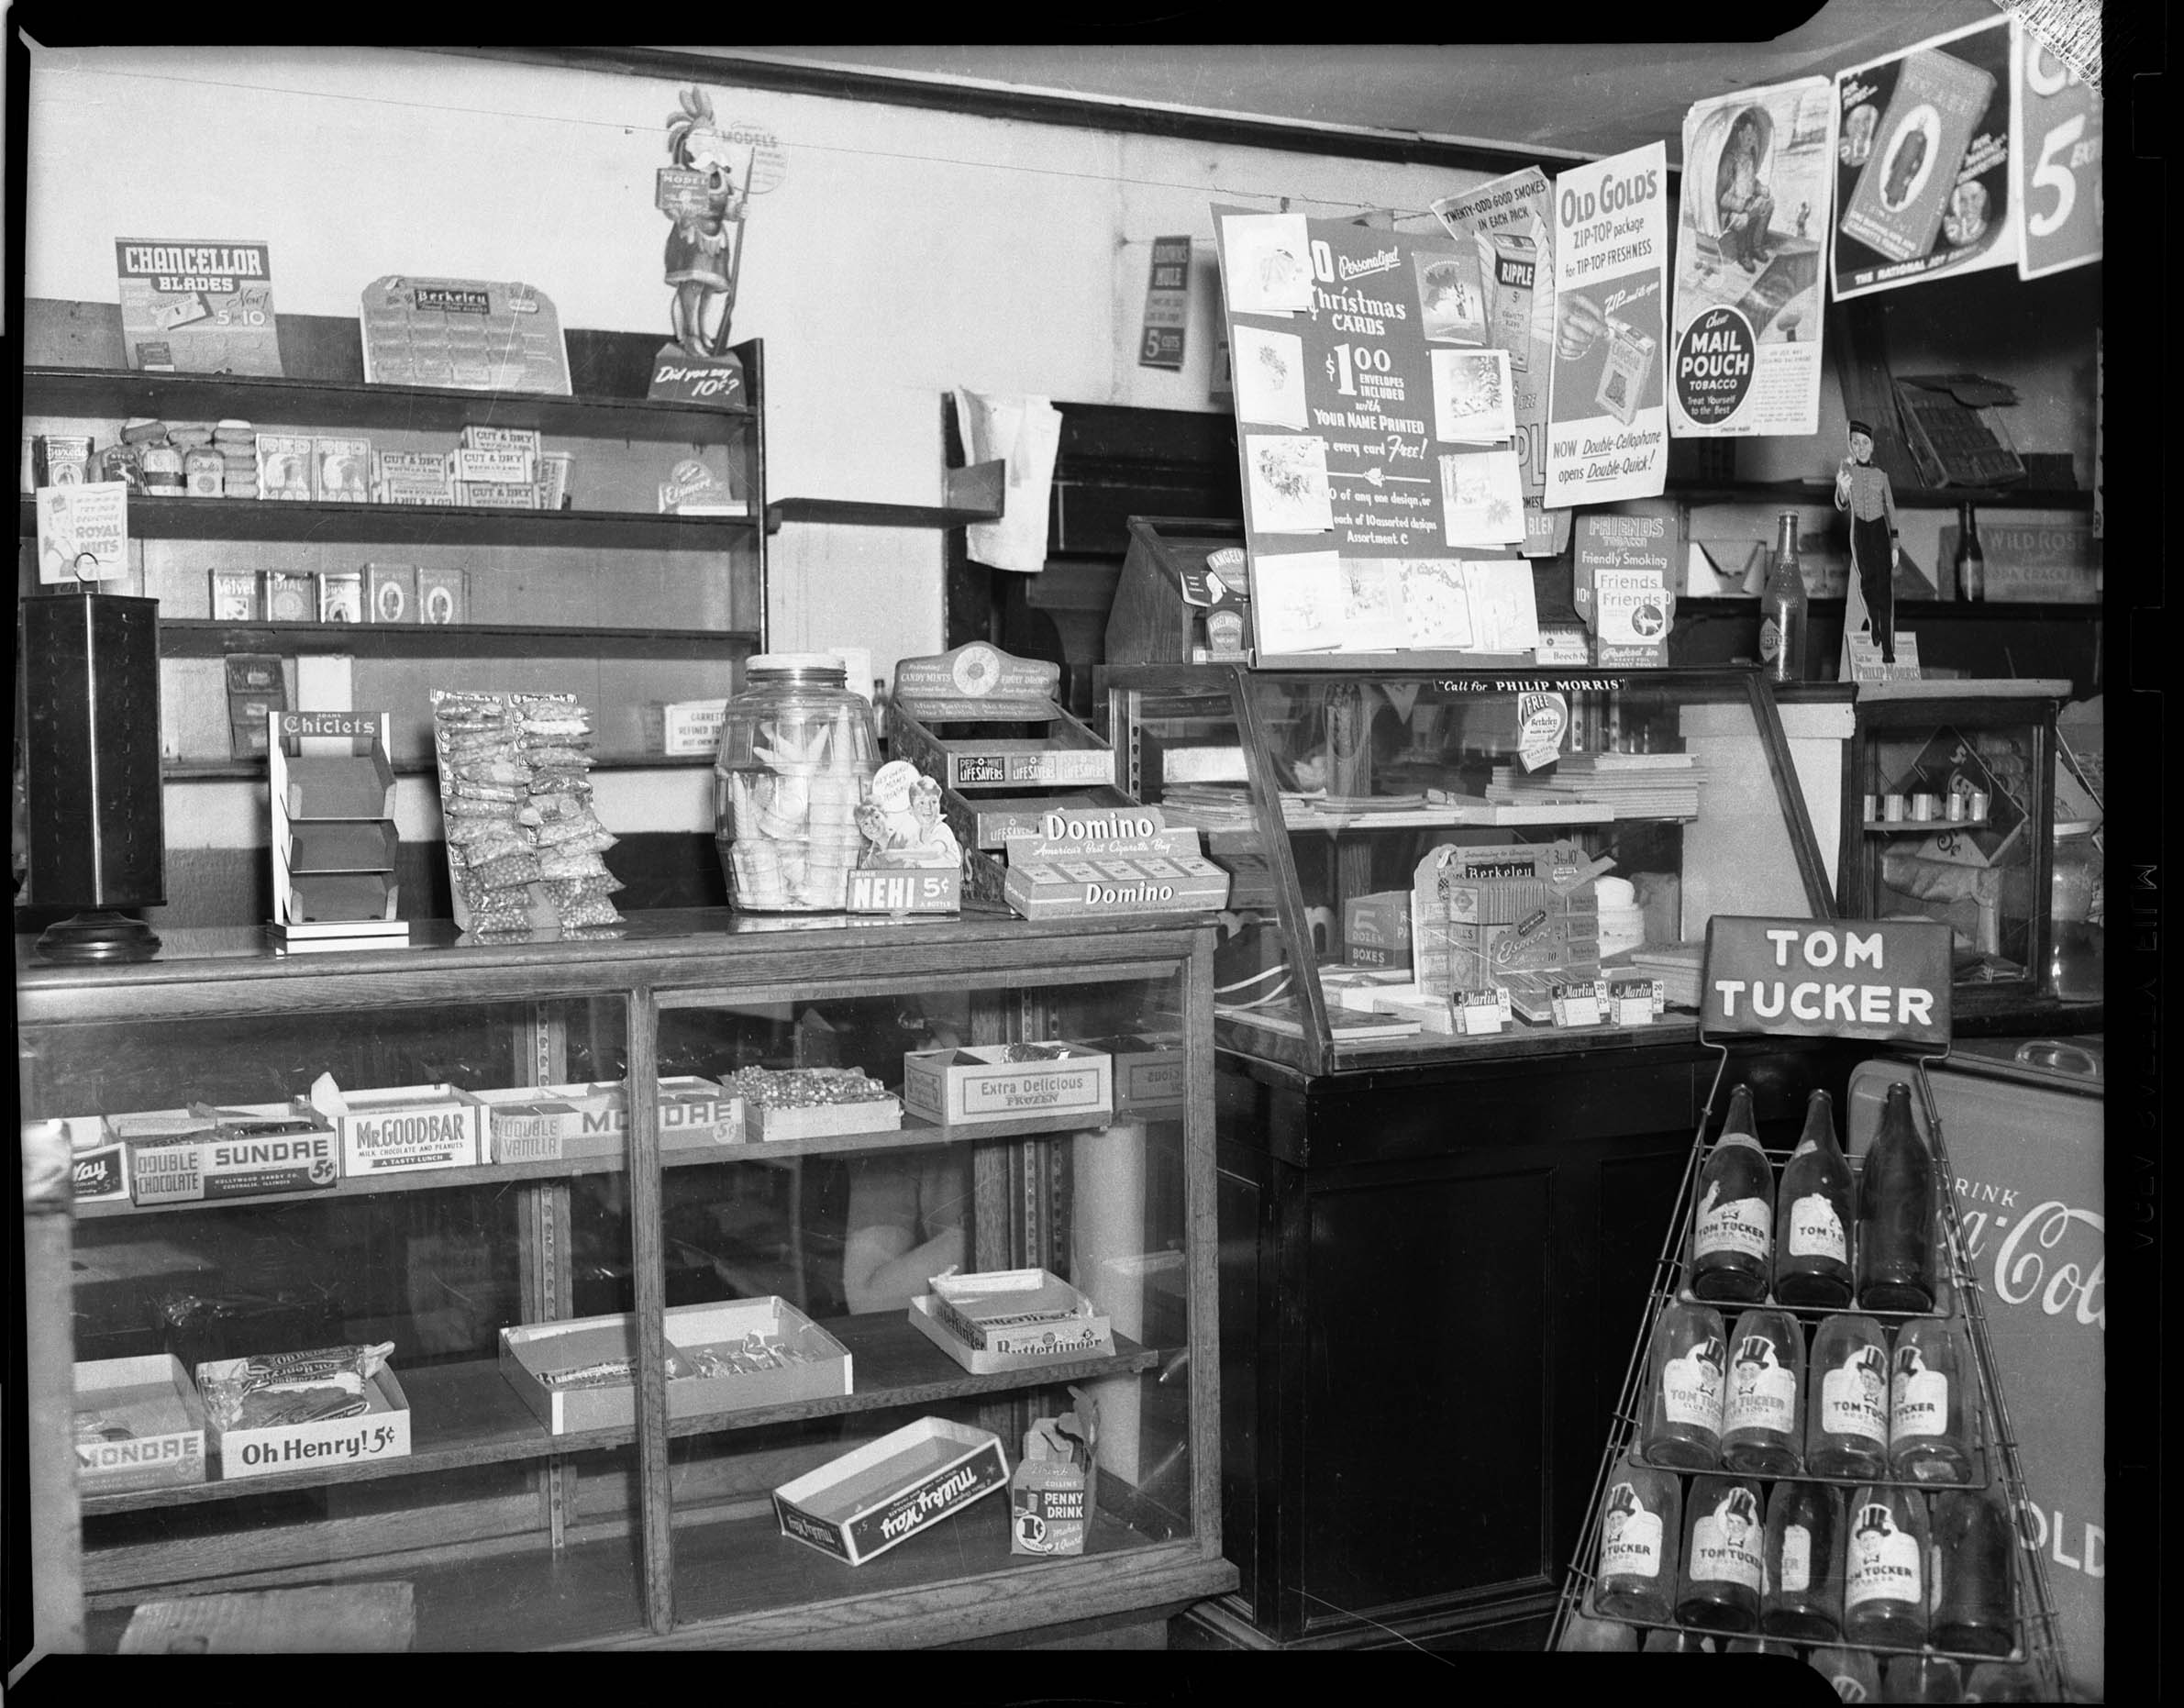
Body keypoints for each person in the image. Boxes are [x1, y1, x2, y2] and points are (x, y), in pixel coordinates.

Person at [1835, 419, 1901, 661]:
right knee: (1868, 584)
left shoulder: (1881, 475)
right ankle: (1874, 623)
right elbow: (1841, 503)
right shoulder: (1847, 469)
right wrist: (1842, 487)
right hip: (1860, 531)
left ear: (1872, 446)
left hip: (1879, 531)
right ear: (1851, 445)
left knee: (1884, 586)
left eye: (1865, 443)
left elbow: (1891, 509)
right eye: (1855, 443)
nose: (1860, 447)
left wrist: (1895, 544)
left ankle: (1887, 649)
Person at [1716, 128, 1776, 272]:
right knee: (1742, 220)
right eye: (1748, 137)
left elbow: (1751, 182)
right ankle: (1743, 255)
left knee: (1768, 203)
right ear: (1740, 136)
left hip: (1748, 205)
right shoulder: (1729, 161)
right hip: (1731, 212)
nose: (1752, 141)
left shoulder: (1749, 157)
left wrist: (1761, 188)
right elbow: (1720, 196)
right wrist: (1741, 205)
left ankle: (1756, 246)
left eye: (1753, 137)